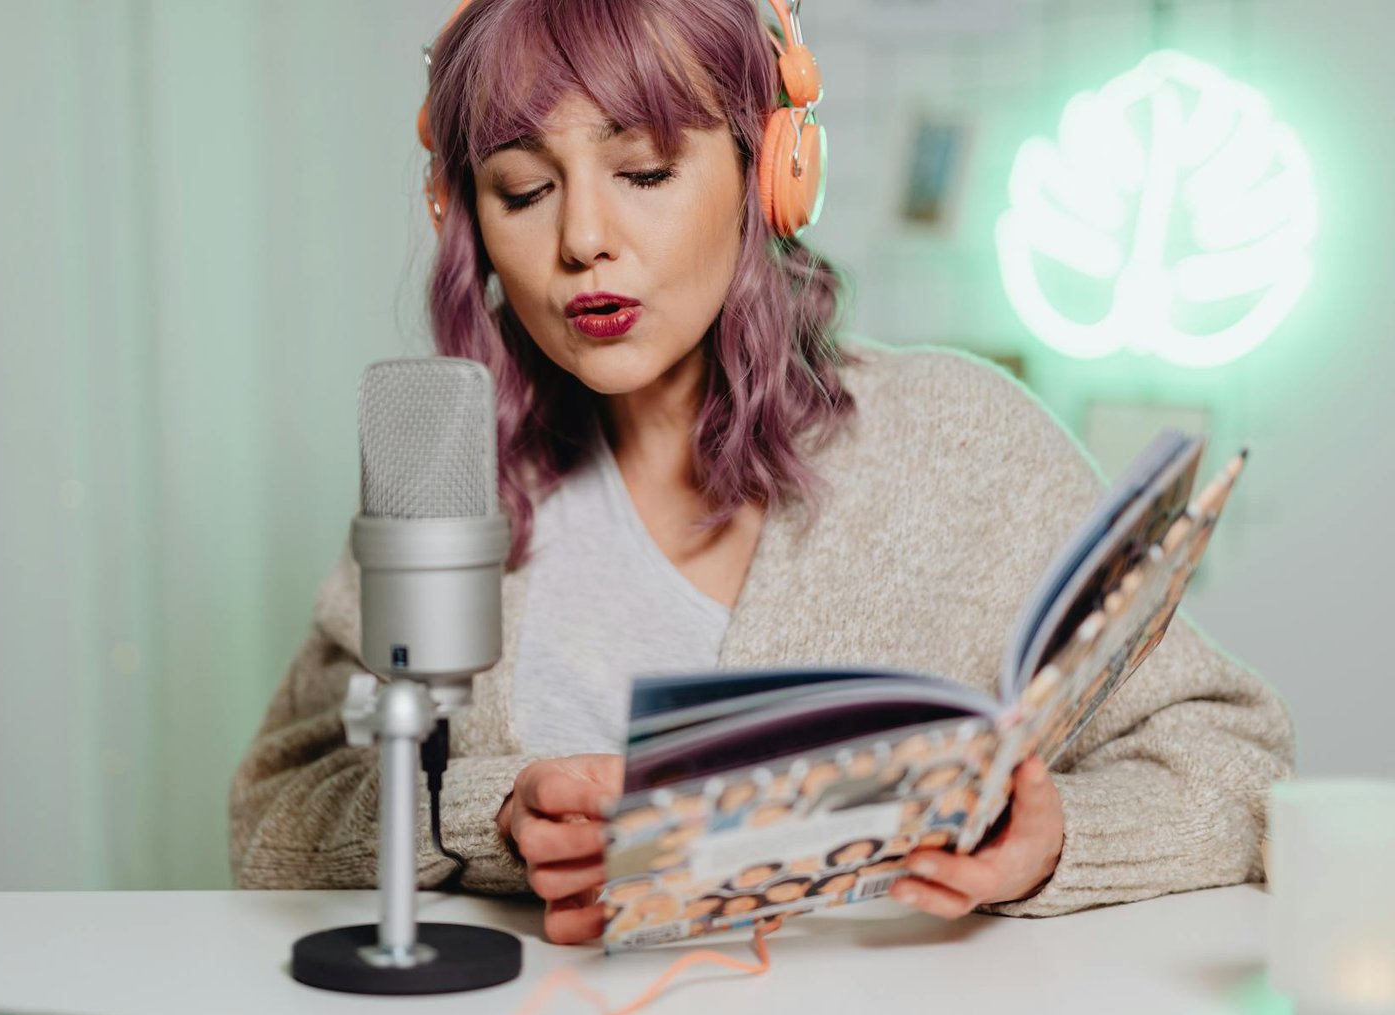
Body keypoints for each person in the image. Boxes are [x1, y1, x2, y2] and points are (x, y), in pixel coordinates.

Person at [227, 0, 1293, 946]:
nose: (583, 239)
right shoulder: (453, 470)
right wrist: (494, 816)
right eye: (522, 189)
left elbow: (1241, 760)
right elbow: (274, 813)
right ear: (467, 219)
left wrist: (1057, 836)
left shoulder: (962, 441)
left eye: (643, 172)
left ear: (769, 173)